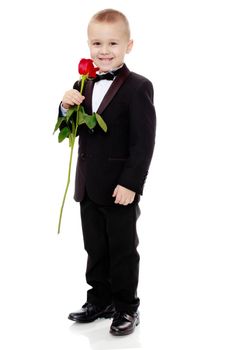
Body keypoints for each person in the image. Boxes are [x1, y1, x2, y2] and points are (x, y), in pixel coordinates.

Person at [59, 8, 156, 336]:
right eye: (96, 43)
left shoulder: (138, 88)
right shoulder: (82, 83)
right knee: (95, 248)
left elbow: (143, 143)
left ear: (129, 45)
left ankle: (127, 306)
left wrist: (132, 183)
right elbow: (70, 131)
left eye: (112, 43)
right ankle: (100, 299)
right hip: (88, 186)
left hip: (119, 188)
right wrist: (65, 107)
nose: (104, 50)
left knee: (123, 250)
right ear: (88, 46)